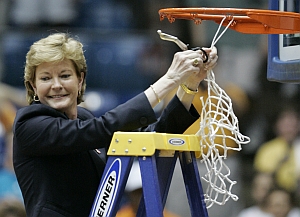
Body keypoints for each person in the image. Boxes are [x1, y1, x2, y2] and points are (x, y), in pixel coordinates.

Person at [12, 33, 218, 217]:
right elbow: (101, 128)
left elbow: (147, 138)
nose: (56, 85)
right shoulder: (29, 123)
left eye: (65, 75)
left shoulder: (84, 118)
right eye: (46, 78)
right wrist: (170, 79)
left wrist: (189, 84)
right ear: (33, 86)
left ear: (80, 79)